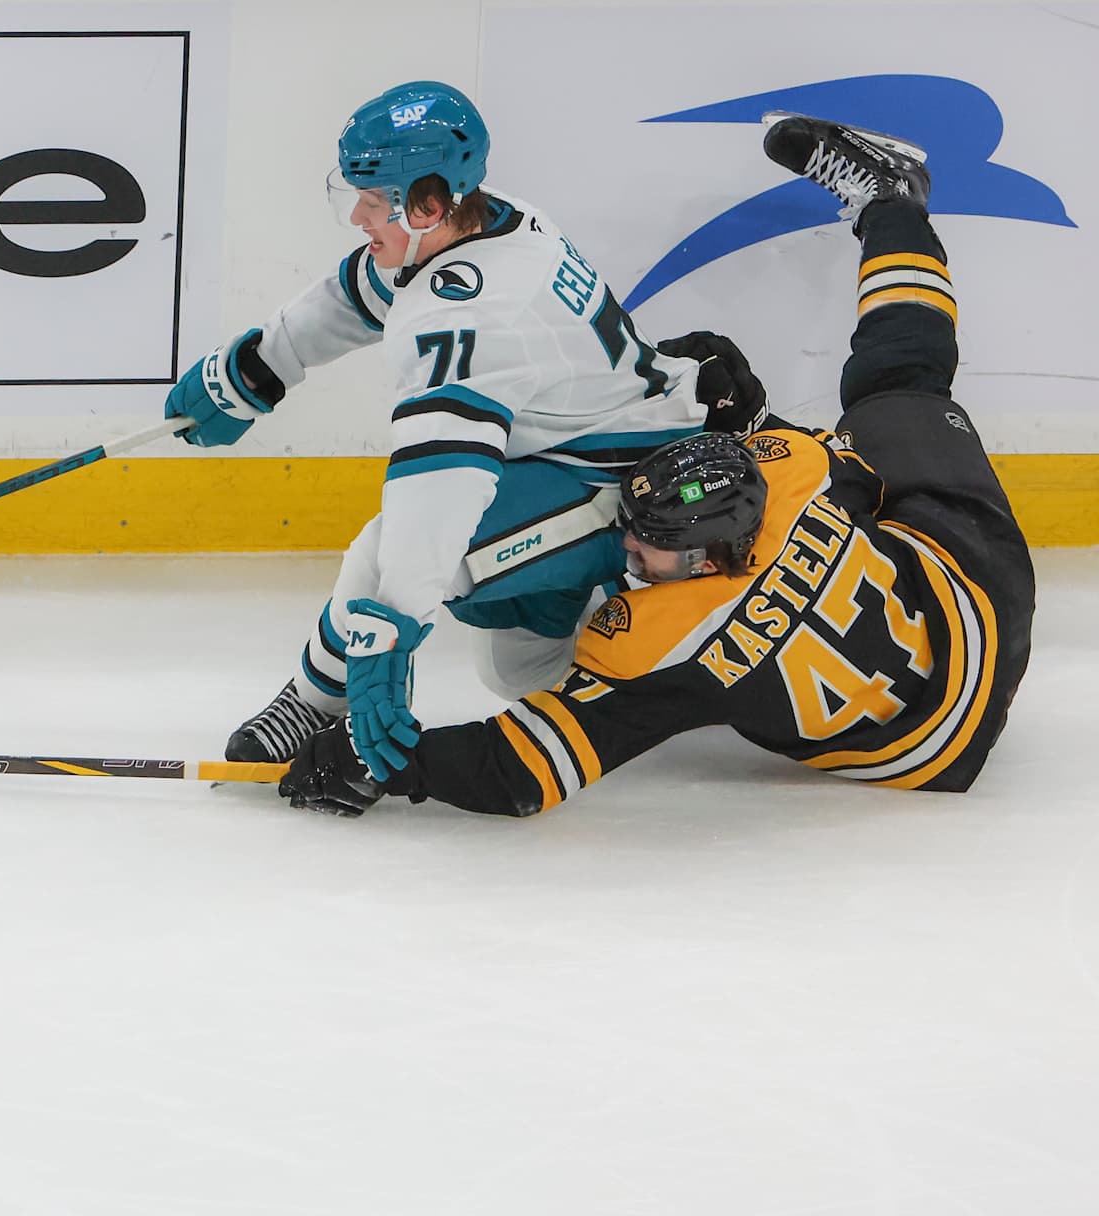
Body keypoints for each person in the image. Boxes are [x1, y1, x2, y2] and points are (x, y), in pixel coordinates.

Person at [278, 112, 1036, 817]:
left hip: (939, 706)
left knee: (893, 380)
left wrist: (399, 767)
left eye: (649, 547)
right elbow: (844, 472)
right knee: (898, 383)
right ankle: (895, 205)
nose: (629, 545)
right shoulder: (793, 474)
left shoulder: (670, 647)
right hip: (972, 592)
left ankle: (892, 195)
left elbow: (521, 769)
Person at [164, 81, 705, 781]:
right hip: (590, 450)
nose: (358, 216)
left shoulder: (468, 317)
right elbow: (367, 288)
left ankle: (312, 701)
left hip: (625, 487)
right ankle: (609, 604)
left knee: (391, 550)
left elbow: (437, 488)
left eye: (374, 199)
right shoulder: (492, 222)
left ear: (428, 203)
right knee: (521, 676)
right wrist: (264, 365)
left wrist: (388, 634)